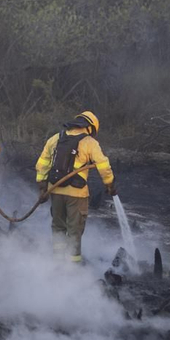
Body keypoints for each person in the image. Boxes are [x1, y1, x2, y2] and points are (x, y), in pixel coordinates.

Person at [35, 111, 115, 264]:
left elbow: (42, 163)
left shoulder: (56, 138)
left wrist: (42, 187)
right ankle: (73, 267)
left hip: (55, 191)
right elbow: (104, 166)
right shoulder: (89, 142)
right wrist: (110, 184)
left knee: (58, 227)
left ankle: (57, 262)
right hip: (77, 194)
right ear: (90, 128)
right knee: (74, 231)